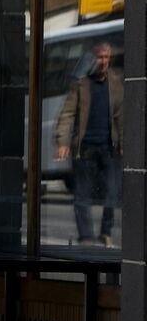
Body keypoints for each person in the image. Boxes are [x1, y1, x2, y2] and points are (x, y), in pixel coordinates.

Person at [54, 42, 123, 246]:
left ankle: (106, 232)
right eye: (100, 57)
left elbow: (121, 116)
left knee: (112, 192)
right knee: (82, 194)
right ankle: (86, 237)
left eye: (106, 57)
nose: (103, 62)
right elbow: (67, 113)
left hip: (109, 148)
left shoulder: (116, 83)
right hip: (85, 149)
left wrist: (124, 143)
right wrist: (63, 141)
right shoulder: (81, 84)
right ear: (93, 59)